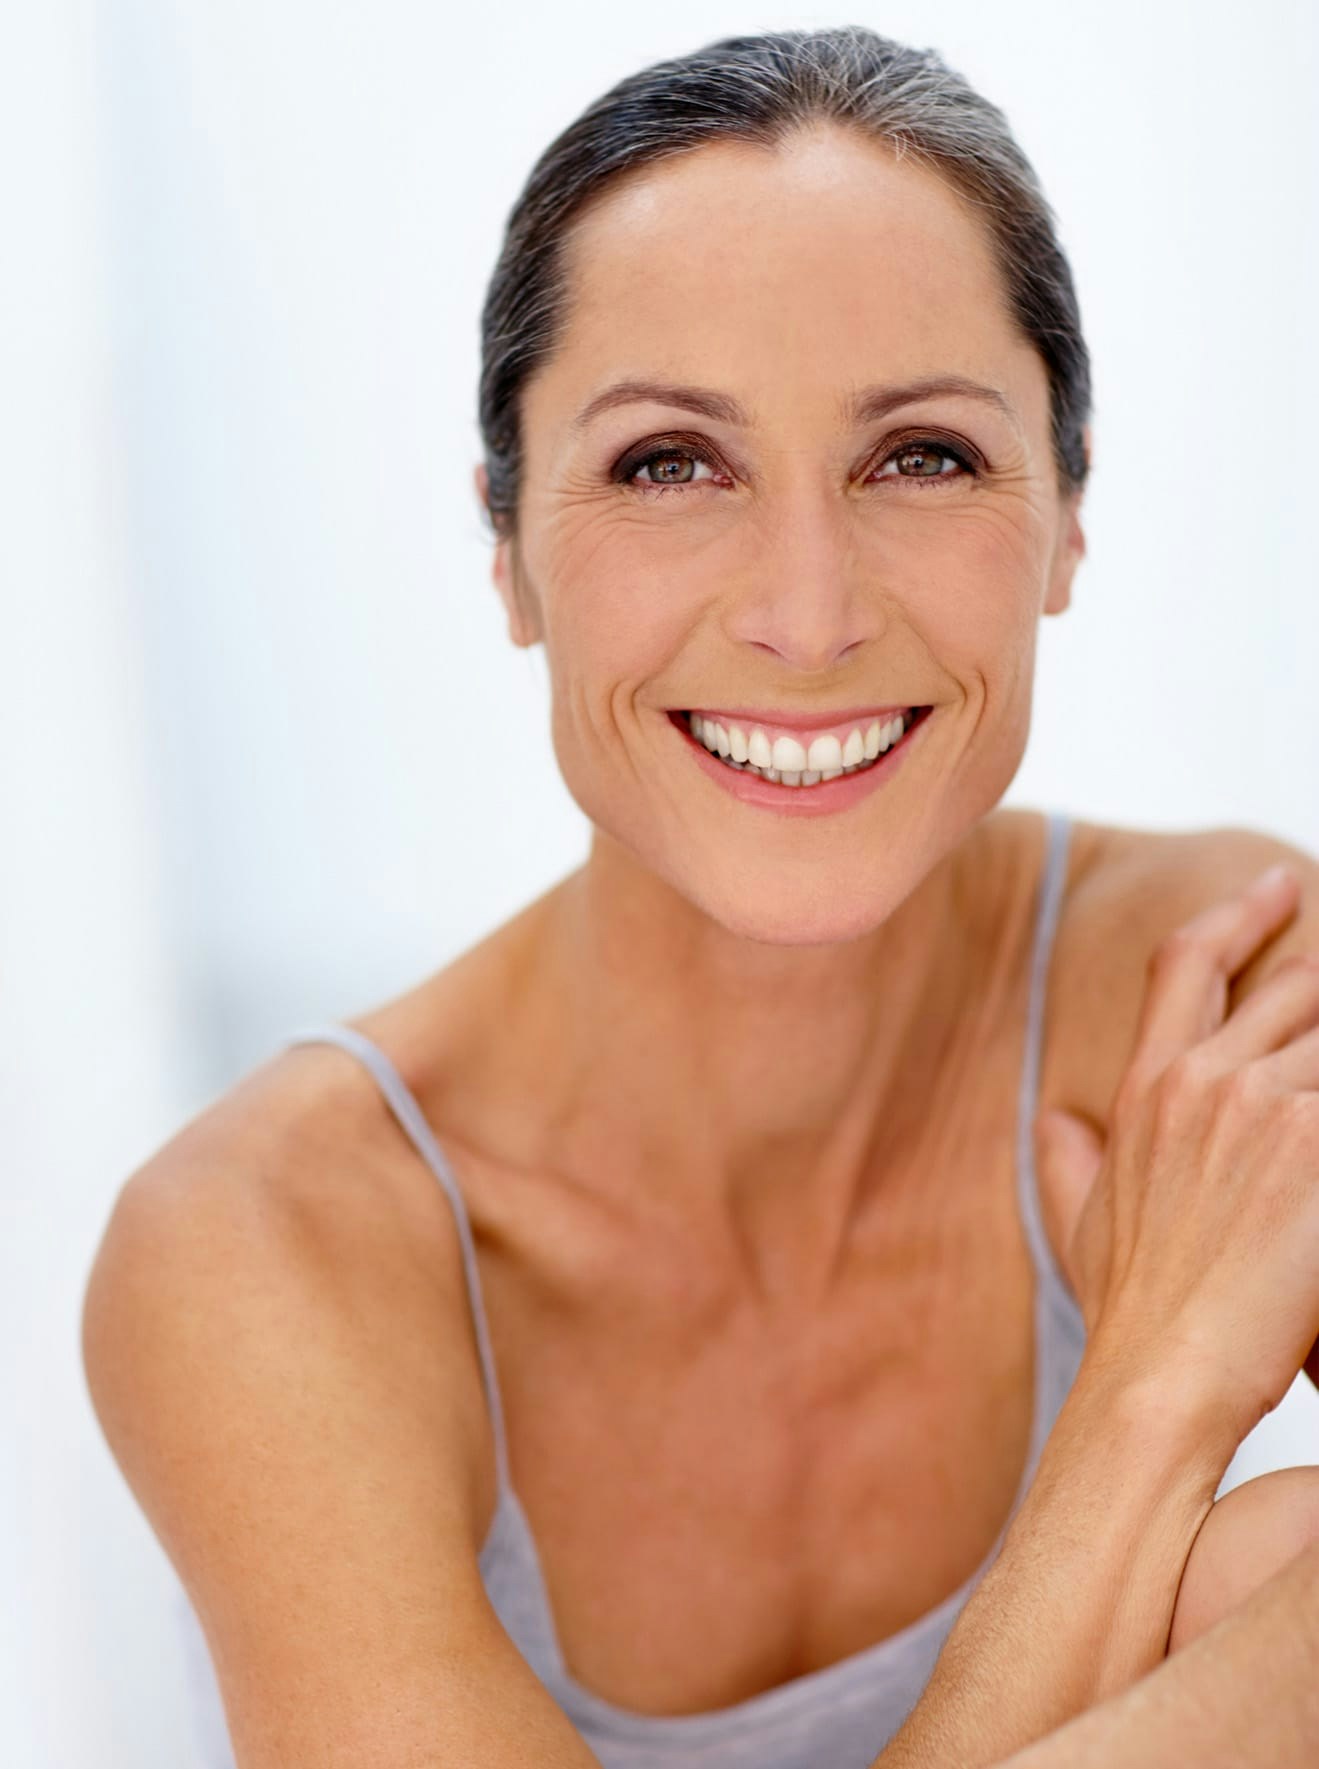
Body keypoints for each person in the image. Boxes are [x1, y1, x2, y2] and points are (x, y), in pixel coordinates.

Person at [80, 24, 1319, 1769]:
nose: (806, 617)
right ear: (508, 551)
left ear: (1068, 517)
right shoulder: (265, 1246)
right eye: (671, 463)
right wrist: (1153, 1395)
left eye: (923, 457)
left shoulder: (1223, 990)